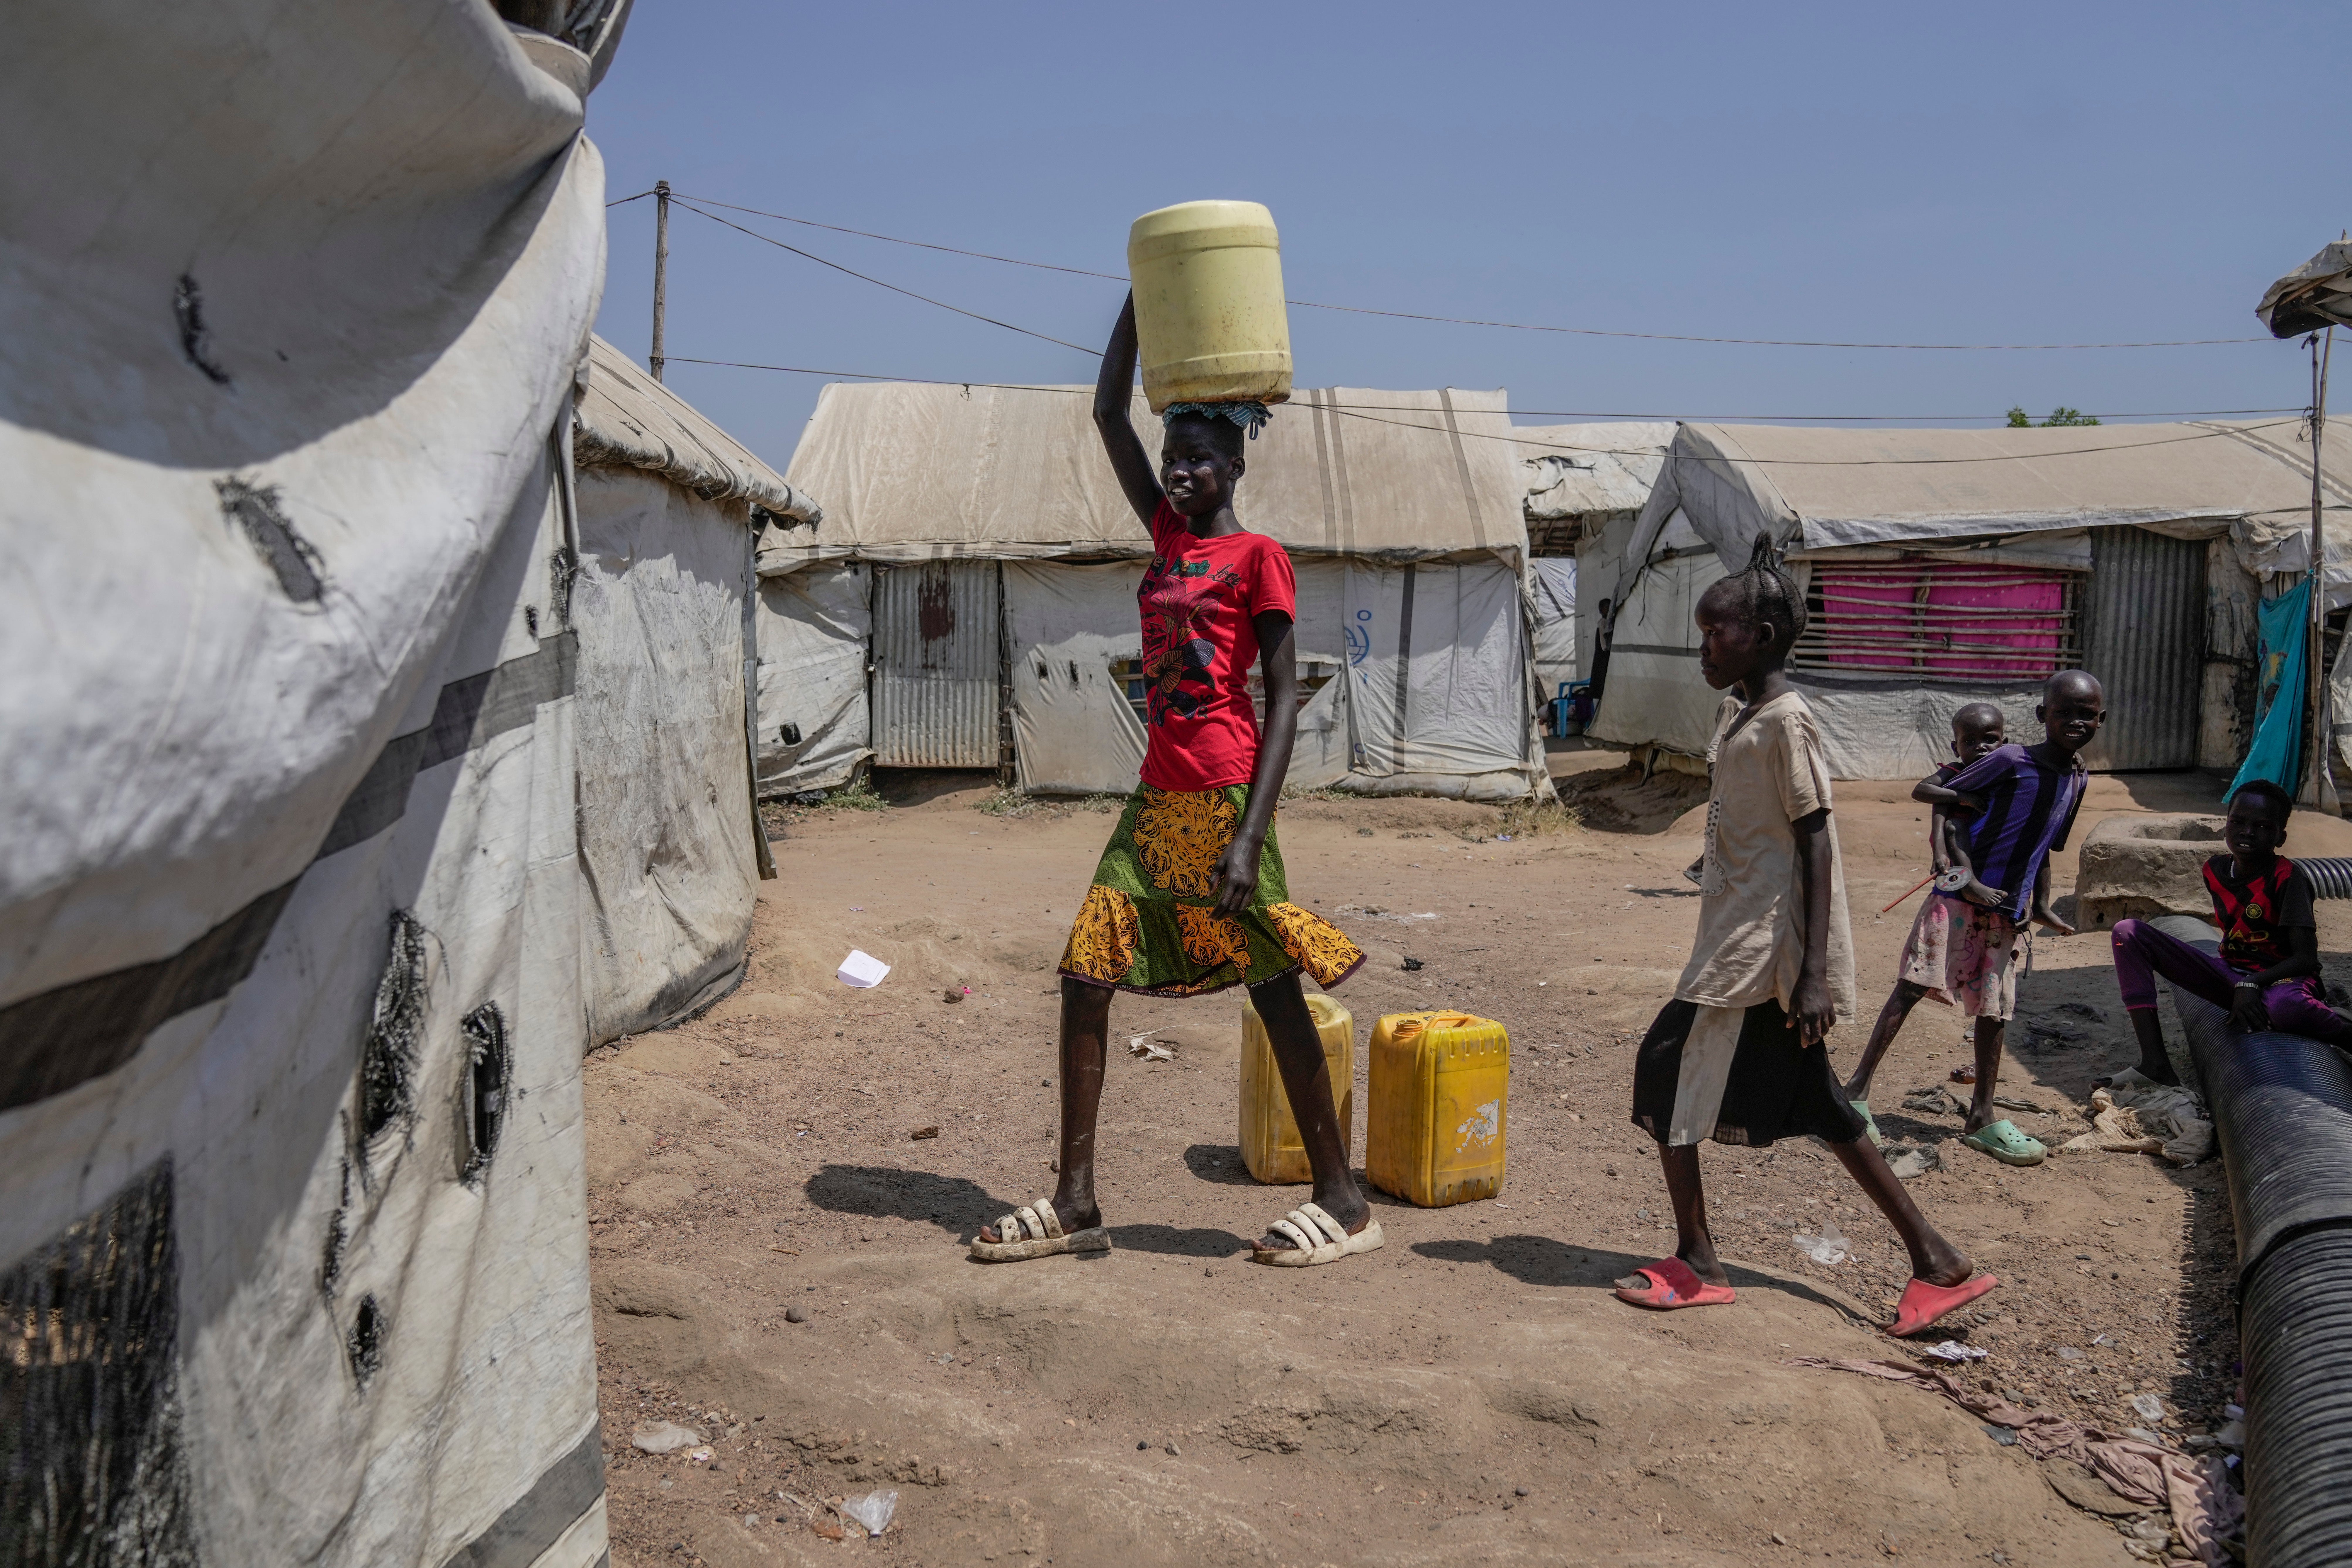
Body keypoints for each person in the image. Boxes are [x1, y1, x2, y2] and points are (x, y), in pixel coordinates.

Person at [971, 294, 1377, 1269]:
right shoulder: (1165, 538)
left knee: (1273, 986)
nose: (1181, 470)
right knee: (1084, 973)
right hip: (1157, 802)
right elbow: (1109, 413)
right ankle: (1075, 1197)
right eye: (1174, 459)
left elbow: (1284, 698)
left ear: (1235, 465)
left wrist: (1248, 832)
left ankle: (1344, 1195)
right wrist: (1140, 300)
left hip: (1229, 797)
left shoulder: (1257, 557)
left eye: (1199, 457)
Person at [1615, 535, 1994, 1338]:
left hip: (1762, 950)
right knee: (1818, 1104)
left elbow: (1817, 840)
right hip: (1736, 934)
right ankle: (1935, 1260)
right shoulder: (1739, 712)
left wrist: (1814, 972)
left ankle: (1699, 1262)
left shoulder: (1787, 721)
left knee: (1662, 1073)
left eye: (1714, 632)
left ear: (1758, 635)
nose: (1702, 646)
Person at [1840, 670, 2103, 1167]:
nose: (2074, 721)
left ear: (2100, 720)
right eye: (2063, 711)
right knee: (1911, 987)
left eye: (2085, 714)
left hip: (2007, 910)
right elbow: (1947, 805)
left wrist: (2037, 903)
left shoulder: (2077, 777)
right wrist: (1958, 866)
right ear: (2040, 716)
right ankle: (1853, 1092)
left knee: (1994, 1010)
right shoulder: (2008, 759)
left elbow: (2045, 845)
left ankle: (1981, 1115)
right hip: (1958, 900)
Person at [2108, 778, 2352, 1082]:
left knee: (2287, 1009)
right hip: (2231, 974)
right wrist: (2241, 984)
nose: (2247, 832)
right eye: (2237, 821)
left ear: (2280, 836)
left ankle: (2342, 1027)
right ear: (2226, 825)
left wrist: (2252, 984)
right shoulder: (2215, 870)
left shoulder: (2288, 878)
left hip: (2282, 979)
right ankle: (2155, 1065)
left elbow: (2306, 960)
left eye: (2263, 827)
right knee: (2128, 932)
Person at [1928, 703, 2007, 909]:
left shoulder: (2008, 770)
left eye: (1989, 740)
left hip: (1991, 842)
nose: (1980, 747)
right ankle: (1969, 883)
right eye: (1970, 741)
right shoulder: (1956, 772)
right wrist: (1962, 797)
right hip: (1957, 837)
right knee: (1954, 826)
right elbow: (1922, 791)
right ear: (1956, 748)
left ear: (2004, 743)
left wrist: (2070, 757)